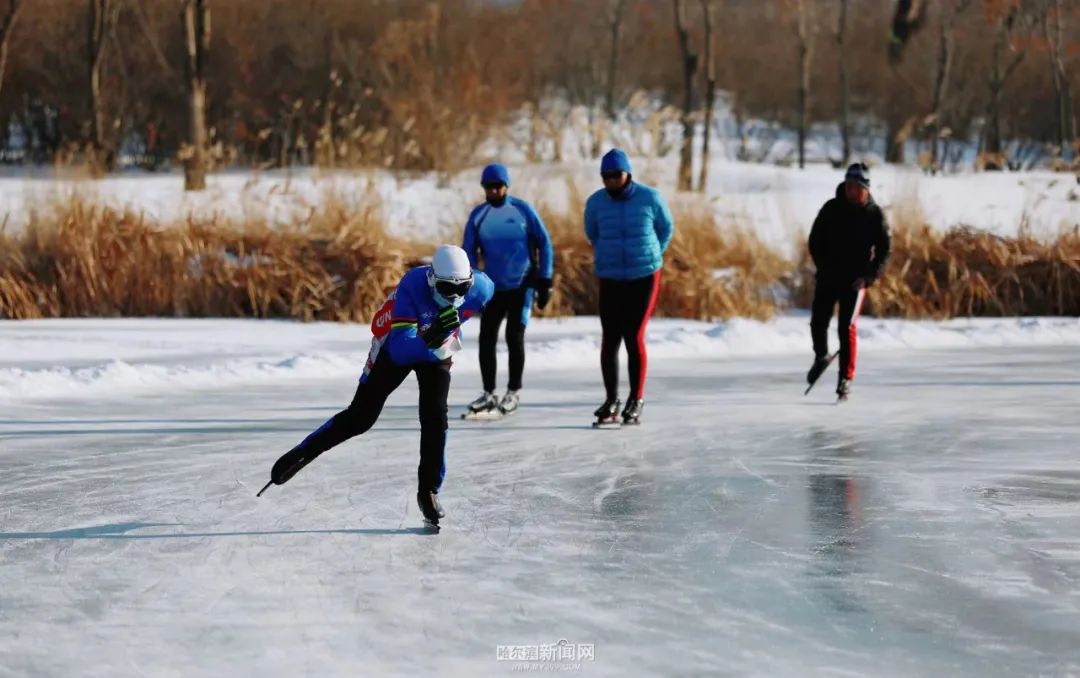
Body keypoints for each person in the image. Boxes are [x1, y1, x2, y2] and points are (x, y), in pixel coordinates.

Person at [258, 245, 495, 529]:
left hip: (438, 350)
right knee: (361, 418)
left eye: (462, 288)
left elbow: (484, 300)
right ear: (432, 279)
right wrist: (429, 336)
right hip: (397, 342)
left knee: (435, 417)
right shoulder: (412, 287)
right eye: (446, 287)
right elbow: (400, 352)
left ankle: (429, 491)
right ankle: (304, 452)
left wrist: (443, 336)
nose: (455, 296)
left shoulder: (482, 289)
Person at [584, 148, 674, 425]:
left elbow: (666, 228)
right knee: (610, 337)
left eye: (616, 175)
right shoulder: (596, 203)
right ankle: (611, 400)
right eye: (606, 176)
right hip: (611, 274)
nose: (611, 181)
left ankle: (636, 399)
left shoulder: (650, 197)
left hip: (644, 275)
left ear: (627, 174)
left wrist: (652, 254)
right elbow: (592, 233)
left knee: (633, 335)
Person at [461, 163, 554, 416]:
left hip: (522, 285)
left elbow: (545, 243)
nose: (493, 191)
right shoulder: (479, 215)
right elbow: (468, 250)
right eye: (489, 187)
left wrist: (545, 280)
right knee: (486, 338)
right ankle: (489, 393)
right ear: (483, 188)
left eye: (498, 186)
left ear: (506, 186)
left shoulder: (523, 210)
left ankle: (513, 392)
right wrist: (470, 282)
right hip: (493, 287)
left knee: (515, 336)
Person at [807, 162, 891, 401]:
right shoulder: (831, 208)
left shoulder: (875, 216)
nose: (851, 190)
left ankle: (845, 379)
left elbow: (885, 251)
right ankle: (821, 356)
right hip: (829, 275)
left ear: (866, 189)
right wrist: (823, 267)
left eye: (857, 187)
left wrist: (868, 277)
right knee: (818, 321)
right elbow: (815, 240)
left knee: (847, 328)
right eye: (848, 186)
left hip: (855, 281)